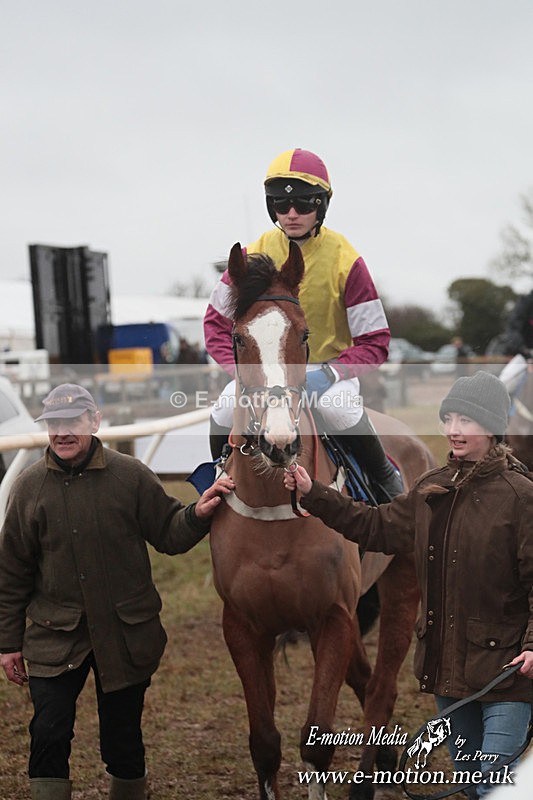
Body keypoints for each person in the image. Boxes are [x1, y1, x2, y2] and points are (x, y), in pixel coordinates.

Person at [283, 371, 533, 797]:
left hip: (508, 674)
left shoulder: (522, 497)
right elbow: (376, 526)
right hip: (447, 671)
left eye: (466, 421)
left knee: (495, 787)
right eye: (448, 418)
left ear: (493, 427)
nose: (453, 430)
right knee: (473, 786)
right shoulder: (431, 488)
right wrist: (315, 493)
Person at [0, 384, 234, 800]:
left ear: (95, 422)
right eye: (54, 424)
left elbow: (169, 534)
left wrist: (197, 515)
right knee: (48, 734)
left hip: (126, 634)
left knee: (123, 741)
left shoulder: (131, 476)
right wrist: (7, 643)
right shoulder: (27, 487)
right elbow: (12, 572)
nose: (62, 433)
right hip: (54, 637)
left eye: (72, 422)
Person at [204, 147, 402, 501]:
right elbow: (215, 326)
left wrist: (330, 373)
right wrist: (244, 371)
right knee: (221, 409)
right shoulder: (249, 257)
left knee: (336, 409)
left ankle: (386, 482)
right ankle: (218, 480)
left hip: (328, 376)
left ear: (321, 206)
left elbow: (375, 340)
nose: (292, 214)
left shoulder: (348, 261)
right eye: (281, 205)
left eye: (304, 205)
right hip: (261, 374)